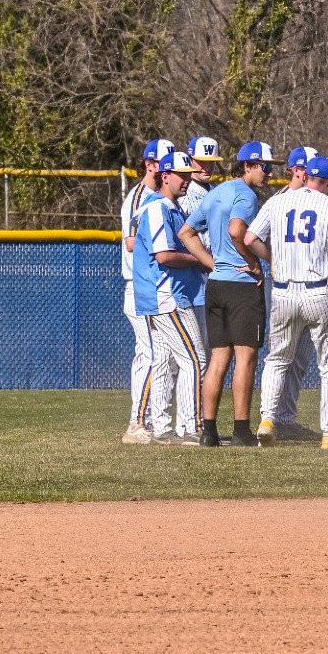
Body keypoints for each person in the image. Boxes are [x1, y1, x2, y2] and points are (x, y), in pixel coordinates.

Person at [244, 154, 328, 449]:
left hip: (282, 291)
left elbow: (248, 238)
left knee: (277, 359)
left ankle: (267, 419)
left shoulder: (278, 201)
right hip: (319, 291)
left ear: (305, 175)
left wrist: (273, 258)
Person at [189, 141, 278, 447]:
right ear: (247, 166)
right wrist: (253, 262)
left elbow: (186, 233)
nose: (268, 173)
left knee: (218, 360)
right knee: (246, 358)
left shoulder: (215, 193)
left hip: (216, 285)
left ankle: (209, 431)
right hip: (241, 286)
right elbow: (237, 231)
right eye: (265, 167)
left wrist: (213, 263)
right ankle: (241, 431)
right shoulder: (246, 195)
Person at [131, 151, 213, 444]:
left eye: (188, 174)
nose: (187, 180)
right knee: (195, 359)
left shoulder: (174, 208)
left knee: (165, 362)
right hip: (166, 294)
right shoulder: (157, 208)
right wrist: (199, 259)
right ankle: (190, 428)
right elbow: (164, 255)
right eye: (181, 174)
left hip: (171, 293)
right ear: (164, 176)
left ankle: (164, 429)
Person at [120, 138, 173, 443]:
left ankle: (150, 422)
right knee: (150, 353)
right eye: (159, 163)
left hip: (151, 285)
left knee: (160, 354)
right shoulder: (141, 196)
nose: (163, 168)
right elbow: (130, 241)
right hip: (139, 286)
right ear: (149, 165)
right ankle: (136, 424)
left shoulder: (156, 196)